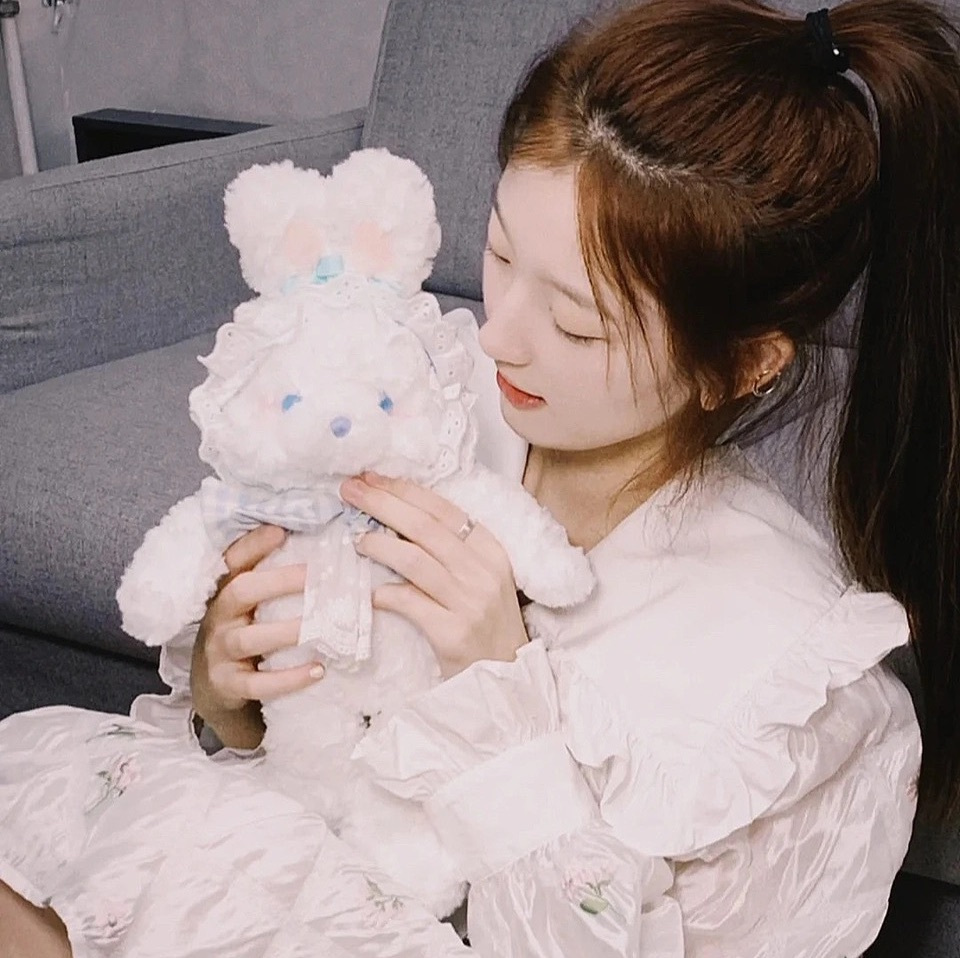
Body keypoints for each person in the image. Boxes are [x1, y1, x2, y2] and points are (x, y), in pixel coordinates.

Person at [1, 0, 958, 953]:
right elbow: (246, 772)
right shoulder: (423, 397)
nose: (497, 335)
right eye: (499, 253)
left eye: (577, 326)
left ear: (742, 365)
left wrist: (499, 699)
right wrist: (227, 699)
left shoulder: (790, 686)